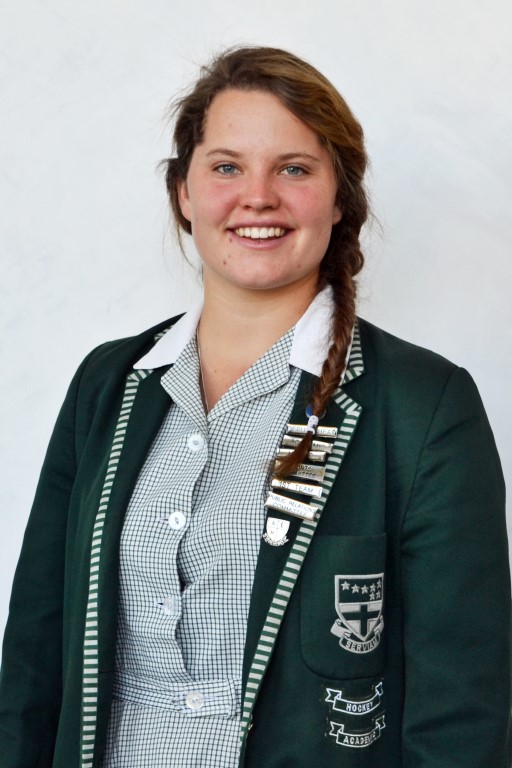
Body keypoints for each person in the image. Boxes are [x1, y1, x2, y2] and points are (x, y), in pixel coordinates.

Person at [0, 45, 510, 768]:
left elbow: (463, 711)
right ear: (183, 192)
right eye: (226, 167)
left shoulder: (423, 406)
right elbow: (32, 658)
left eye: (294, 169)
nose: (259, 196)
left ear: (340, 199)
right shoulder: (107, 385)